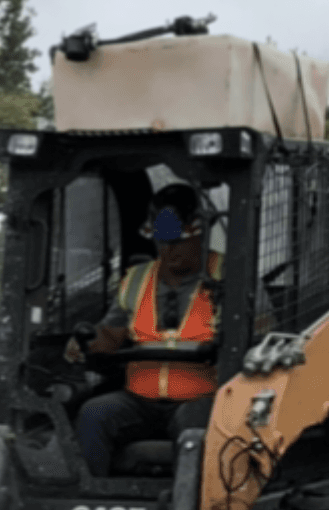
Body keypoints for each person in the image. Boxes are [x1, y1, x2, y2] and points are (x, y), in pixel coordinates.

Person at [65, 183, 221, 476]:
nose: (167, 250)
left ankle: (192, 509)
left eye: (177, 241)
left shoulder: (229, 276)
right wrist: (86, 341)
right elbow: (111, 334)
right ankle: (94, 502)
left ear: (202, 234)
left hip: (201, 398)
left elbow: (259, 339)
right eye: (162, 242)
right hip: (138, 400)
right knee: (94, 414)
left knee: (194, 421)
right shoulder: (137, 279)